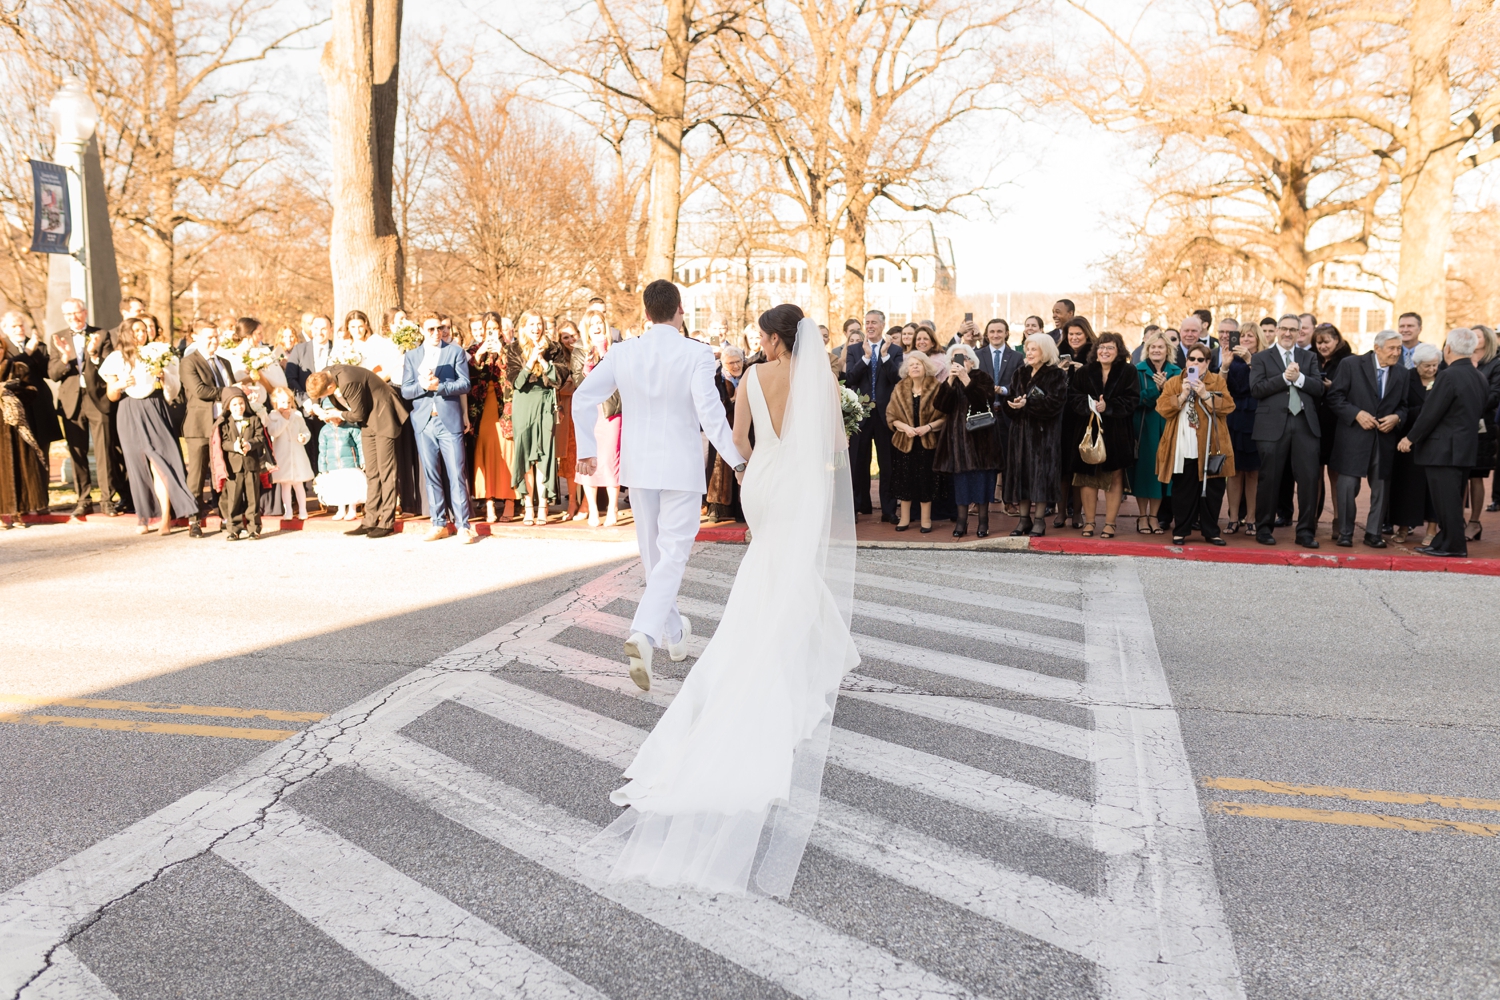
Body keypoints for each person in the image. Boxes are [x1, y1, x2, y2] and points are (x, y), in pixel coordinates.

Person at [581, 300, 855, 900]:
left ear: (775, 342)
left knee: (770, 567)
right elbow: (836, 445)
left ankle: (816, 648)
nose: (760, 342)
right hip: (803, 484)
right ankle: (802, 656)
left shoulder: (751, 377)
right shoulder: (822, 382)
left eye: (763, 334)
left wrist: (763, 469)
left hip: (762, 485)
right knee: (794, 570)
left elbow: (737, 440)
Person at [570, 279, 745, 692]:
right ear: (679, 310)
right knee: (671, 556)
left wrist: (587, 446)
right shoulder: (698, 352)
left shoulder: (623, 351)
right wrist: (737, 460)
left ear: (645, 314)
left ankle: (675, 634)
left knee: (654, 558)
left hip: (637, 466)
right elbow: (710, 412)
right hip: (681, 466)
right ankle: (645, 634)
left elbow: (582, 397)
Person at [99, 322, 198, 536]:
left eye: (143, 330)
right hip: (128, 410)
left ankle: (165, 518)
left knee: (160, 463)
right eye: (136, 331)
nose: (141, 334)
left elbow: (173, 390)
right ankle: (143, 517)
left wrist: (163, 376)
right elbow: (111, 395)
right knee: (136, 465)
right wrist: (119, 384)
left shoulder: (157, 353)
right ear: (126, 333)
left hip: (154, 407)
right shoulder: (116, 358)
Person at [1398, 328, 1490, 557]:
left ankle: (1455, 546)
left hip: (1444, 449)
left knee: (1446, 501)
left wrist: (1410, 438)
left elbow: (1430, 412)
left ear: (1447, 348)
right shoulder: (1478, 376)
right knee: (1449, 499)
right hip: (1464, 447)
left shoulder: (1448, 376)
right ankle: (1443, 541)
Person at [1326, 330, 1408, 548]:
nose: (1396, 352)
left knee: (1381, 488)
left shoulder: (1402, 372)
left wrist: (1397, 417)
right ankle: (1345, 533)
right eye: (1392, 348)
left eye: (1399, 348)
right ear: (1377, 347)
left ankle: (1373, 533)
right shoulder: (1351, 364)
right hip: (1352, 437)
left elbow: (1405, 405)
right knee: (1347, 487)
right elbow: (1334, 397)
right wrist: (1356, 414)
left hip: (1384, 440)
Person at [306, 364, 409, 538]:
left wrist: (336, 414)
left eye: (324, 395)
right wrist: (316, 407)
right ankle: (369, 520)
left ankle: (387, 522)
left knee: (386, 471)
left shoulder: (348, 381)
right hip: (368, 421)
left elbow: (358, 414)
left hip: (383, 416)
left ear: (330, 387)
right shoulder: (326, 373)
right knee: (372, 471)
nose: (324, 398)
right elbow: (317, 392)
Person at [1251, 313, 1325, 547]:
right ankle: (1263, 528)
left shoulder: (1309, 357)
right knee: (1269, 479)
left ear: (1300, 332)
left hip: (1304, 424)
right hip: (1272, 426)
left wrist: (1300, 378)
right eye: (1283, 328)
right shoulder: (1262, 357)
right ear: (1276, 330)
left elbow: (1319, 388)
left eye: (1293, 330)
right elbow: (1256, 389)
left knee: (1309, 479)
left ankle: (1305, 532)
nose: (1287, 333)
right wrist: (1284, 378)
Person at [402, 312, 476, 542]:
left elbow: (465, 383)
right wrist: (424, 386)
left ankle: (463, 525)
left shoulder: (454, 351)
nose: (437, 333)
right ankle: (438, 523)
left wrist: (440, 386)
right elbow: (406, 390)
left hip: (449, 421)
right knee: (431, 474)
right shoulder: (412, 356)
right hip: (424, 422)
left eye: (440, 328)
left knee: (456, 473)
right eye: (431, 329)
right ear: (422, 331)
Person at [47, 299, 123, 518]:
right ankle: (83, 499)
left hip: (98, 398)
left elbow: (111, 365)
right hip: (72, 401)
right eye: (68, 314)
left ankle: (107, 500)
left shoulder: (102, 334)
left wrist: (94, 354)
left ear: (85, 312)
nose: (73, 317)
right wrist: (63, 359)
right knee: (77, 452)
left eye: (76, 313)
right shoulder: (58, 337)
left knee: (104, 451)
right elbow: (53, 374)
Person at [1156, 343, 1235, 545]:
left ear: (1208, 362)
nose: (1196, 363)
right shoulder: (1175, 382)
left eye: (1201, 360)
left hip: (1211, 444)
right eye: (1192, 359)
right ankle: (1181, 530)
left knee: (1213, 489)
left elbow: (1228, 406)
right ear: (1187, 360)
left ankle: (1211, 531)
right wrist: (1182, 395)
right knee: (1183, 489)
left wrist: (1206, 395)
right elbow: (1162, 408)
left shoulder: (1216, 381)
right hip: (1183, 443)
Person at [1068, 331, 1140, 538]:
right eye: (1101, 347)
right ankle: (1089, 522)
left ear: (1118, 351)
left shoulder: (1128, 371)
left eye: (1110, 347)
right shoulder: (1084, 372)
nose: (1104, 351)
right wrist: (1090, 405)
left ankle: (1110, 523)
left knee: (1114, 477)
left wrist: (1109, 406)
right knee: (1087, 477)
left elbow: (1132, 400)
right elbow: (1073, 397)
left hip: (1117, 433)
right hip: (1088, 431)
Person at [1003, 333, 1068, 536]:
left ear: (1045, 351)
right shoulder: (1020, 373)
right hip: (1019, 435)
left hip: (1044, 437)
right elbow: (1011, 403)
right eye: (1027, 349)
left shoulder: (1056, 374)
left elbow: (1054, 405)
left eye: (1034, 349)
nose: (1029, 353)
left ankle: (1039, 520)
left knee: (1041, 478)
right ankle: (1024, 520)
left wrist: (1028, 404)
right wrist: (1013, 405)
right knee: (1020, 476)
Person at [507, 311, 568, 526]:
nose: (536, 328)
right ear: (523, 326)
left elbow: (559, 379)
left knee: (545, 454)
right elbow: (516, 382)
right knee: (524, 454)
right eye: (531, 324)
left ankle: (543, 505)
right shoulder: (513, 349)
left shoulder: (554, 348)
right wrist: (530, 360)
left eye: (539, 324)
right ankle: (528, 507)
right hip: (523, 404)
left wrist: (543, 359)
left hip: (544, 403)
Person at [935, 344, 1001, 538]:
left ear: (972, 360)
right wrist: (951, 380)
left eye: (963, 358)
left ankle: (983, 523)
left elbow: (984, 401)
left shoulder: (983, 377)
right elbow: (940, 406)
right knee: (961, 484)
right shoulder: (951, 381)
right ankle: (961, 523)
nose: (959, 362)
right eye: (955, 359)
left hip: (981, 439)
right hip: (957, 441)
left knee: (982, 482)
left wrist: (966, 378)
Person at [844, 309, 905, 521]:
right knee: (859, 462)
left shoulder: (895, 350)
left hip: (886, 415)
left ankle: (888, 511)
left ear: (882, 325)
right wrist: (867, 358)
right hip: (861, 415)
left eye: (874, 323)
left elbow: (897, 378)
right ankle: (859, 506)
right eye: (867, 322)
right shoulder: (854, 350)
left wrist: (885, 356)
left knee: (887, 463)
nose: (869, 326)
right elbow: (850, 377)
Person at [178, 322, 236, 535]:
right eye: (209, 337)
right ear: (196, 338)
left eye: (216, 336)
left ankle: (225, 515)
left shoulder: (224, 363)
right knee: (197, 473)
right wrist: (231, 391)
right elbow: (201, 391)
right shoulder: (188, 363)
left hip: (223, 424)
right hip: (199, 426)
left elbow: (230, 392)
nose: (214, 341)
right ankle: (194, 519)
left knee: (222, 470)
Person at [886, 352, 946, 532]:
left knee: (925, 482)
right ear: (906, 369)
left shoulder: (936, 387)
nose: (914, 367)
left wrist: (927, 427)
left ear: (925, 367)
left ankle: (925, 520)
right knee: (905, 481)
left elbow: (945, 417)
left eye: (918, 364)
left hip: (927, 443)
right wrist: (905, 427)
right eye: (911, 364)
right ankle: (904, 519)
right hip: (905, 443)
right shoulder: (899, 387)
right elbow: (891, 416)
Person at [1388, 344, 1442, 543]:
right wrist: (1424, 412)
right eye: (1427, 366)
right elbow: (1399, 405)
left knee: (1432, 487)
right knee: (1407, 486)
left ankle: (1431, 530)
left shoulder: (1443, 378)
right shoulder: (1406, 377)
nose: (1431, 369)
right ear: (1417, 364)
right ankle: (1403, 527)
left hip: (1434, 442)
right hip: (1408, 440)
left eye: (1435, 365)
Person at [468, 310, 518, 523]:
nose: (490, 333)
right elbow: (468, 379)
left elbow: (515, 377)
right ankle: (489, 503)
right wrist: (478, 357)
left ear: (500, 330)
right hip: (482, 410)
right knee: (487, 452)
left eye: (494, 329)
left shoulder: (511, 349)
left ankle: (509, 501)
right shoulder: (472, 350)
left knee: (507, 452)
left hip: (505, 408)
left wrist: (503, 354)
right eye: (487, 330)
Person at [1129, 330, 1179, 533]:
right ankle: (1142, 516)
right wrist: (1155, 390)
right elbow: (1135, 399)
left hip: (1167, 427)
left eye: (1160, 347)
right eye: (1152, 347)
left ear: (1167, 350)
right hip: (1143, 427)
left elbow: (1180, 398)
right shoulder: (1136, 371)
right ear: (1146, 350)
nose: (1156, 350)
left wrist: (1166, 388)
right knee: (1144, 471)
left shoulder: (1176, 371)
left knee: (1162, 472)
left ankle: (1154, 517)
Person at [210, 386, 272, 540]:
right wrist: (234, 447)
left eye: (241, 403)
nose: (239, 407)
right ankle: (234, 528)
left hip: (251, 465)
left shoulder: (254, 419)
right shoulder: (225, 423)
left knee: (253, 498)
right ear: (228, 407)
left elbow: (260, 438)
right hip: (233, 467)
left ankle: (254, 528)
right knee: (234, 498)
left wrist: (249, 444)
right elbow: (223, 442)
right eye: (235, 405)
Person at [0, 335, 50, 526]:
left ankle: (19, 511)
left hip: (16, 425)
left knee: (20, 469)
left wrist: (13, 389)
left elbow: (32, 391)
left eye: (1, 348)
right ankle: (3, 513)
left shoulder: (16, 367)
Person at [1056, 317, 1097, 527]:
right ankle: (1061, 512)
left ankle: (1077, 514)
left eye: (1078, 334)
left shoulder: (1095, 355)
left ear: (1087, 334)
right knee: (1062, 468)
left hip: (1082, 418)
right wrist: (1059, 373)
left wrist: (1085, 372)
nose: (1074, 338)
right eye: (1071, 334)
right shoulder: (1057, 352)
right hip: (1061, 418)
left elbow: (1098, 389)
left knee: (1078, 468)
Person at [1312, 322, 1354, 523]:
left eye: (1326, 342)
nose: (1322, 347)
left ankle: (1339, 519)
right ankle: (1311, 519)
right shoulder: (1311, 359)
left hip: (1337, 425)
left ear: (1336, 340)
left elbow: (1353, 393)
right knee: (1314, 475)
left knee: (1335, 475)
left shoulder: (1349, 361)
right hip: (1314, 424)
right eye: (1318, 343)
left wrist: (1333, 388)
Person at [1221, 324, 1260, 534]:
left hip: (1256, 414)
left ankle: (1251, 517)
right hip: (1234, 415)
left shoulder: (1262, 358)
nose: (1245, 339)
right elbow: (1220, 386)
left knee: (1253, 471)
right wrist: (1225, 365)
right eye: (1242, 335)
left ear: (1257, 339)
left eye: (1250, 335)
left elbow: (1263, 382)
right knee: (1234, 471)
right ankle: (1233, 517)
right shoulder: (1230, 358)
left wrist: (1249, 359)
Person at [1464, 325, 1500, 541]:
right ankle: (1455, 520)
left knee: (1476, 475)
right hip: (1459, 425)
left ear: (1487, 339)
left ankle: (1475, 522)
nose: (1474, 339)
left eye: (1477, 336)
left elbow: (1495, 394)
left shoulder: (1496, 362)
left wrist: (1467, 406)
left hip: (1482, 425)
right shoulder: (1462, 358)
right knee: (1459, 474)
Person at [705, 345, 746, 522]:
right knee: (720, 469)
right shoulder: (717, 380)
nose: (736, 366)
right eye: (731, 363)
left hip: (746, 429)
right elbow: (716, 406)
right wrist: (733, 401)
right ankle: (718, 508)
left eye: (738, 362)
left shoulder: (748, 376)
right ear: (723, 363)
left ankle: (741, 509)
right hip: (724, 428)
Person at [265, 385, 314, 521]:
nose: (285, 405)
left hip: (297, 454)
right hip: (283, 456)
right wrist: (284, 419)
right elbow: (274, 432)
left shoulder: (297, 415)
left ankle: (303, 509)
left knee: (298, 484)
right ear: (275, 403)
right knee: (285, 485)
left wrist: (303, 437)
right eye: (282, 402)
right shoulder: (273, 417)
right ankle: (288, 510)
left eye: (288, 402)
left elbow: (305, 431)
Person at [555, 319, 588, 519]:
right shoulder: (560, 358)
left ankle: (586, 502)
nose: (570, 340)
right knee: (569, 458)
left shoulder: (586, 353)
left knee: (587, 454)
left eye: (572, 335)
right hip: (567, 411)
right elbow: (560, 386)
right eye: (565, 337)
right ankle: (572, 501)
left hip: (586, 410)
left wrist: (571, 382)